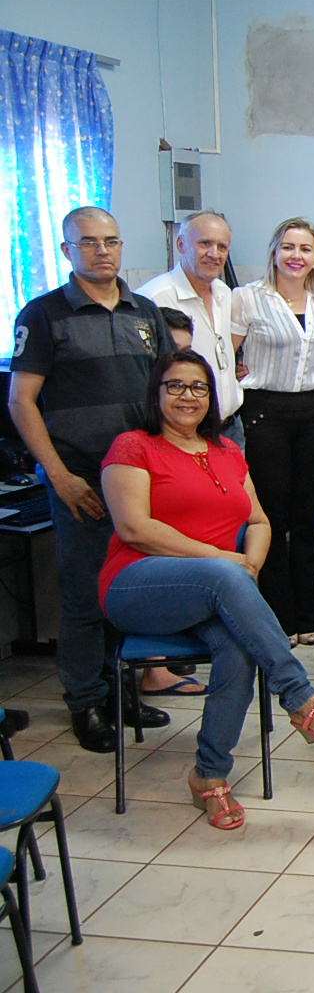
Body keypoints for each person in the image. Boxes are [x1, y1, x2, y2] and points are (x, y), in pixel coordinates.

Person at [99, 350, 314, 829]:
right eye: (175, 385)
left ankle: (210, 776)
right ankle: (300, 698)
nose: (187, 396)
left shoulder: (226, 451)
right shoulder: (134, 447)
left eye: (198, 387)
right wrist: (229, 565)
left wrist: (250, 565)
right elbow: (134, 528)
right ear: (156, 394)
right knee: (225, 578)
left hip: (216, 589)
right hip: (137, 586)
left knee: (239, 651)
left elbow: (258, 519)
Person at [8, 206, 176, 750]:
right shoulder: (45, 315)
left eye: (111, 241)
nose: (102, 251)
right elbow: (22, 401)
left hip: (140, 485)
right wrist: (57, 475)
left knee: (130, 593)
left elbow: (166, 395)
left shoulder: (145, 313)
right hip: (81, 480)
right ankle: (85, 702)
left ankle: (120, 694)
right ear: (66, 250)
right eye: (88, 242)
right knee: (85, 596)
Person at [230, 217, 314, 644]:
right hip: (263, 412)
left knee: (306, 517)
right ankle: (278, 616)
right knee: (270, 516)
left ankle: (308, 615)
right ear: (274, 252)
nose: (296, 256)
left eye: (305, 249)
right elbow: (225, 356)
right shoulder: (247, 299)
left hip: (311, 411)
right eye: (288, 247)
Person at [140, 211, 244, 447]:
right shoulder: (153, 299)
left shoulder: (224, 293)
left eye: (222, 246)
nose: (214, 254)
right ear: (180, 244)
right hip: (182, 434)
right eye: (204, 243)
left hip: (230, 428)